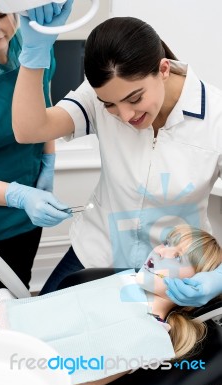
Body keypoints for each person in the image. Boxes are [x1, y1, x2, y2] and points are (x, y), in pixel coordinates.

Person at [12, 14, 222, 306]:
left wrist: (220, 276)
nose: (125, 115)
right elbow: (30, 129)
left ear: (163, 69)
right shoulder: (99, 94)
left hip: (171, 270)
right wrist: (34, 55)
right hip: (95, 253)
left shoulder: (216, 117)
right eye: (109, 105)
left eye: (135, 99)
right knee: (37, 333)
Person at [0, 224, 221, 385]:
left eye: (178, 258)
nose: (162, 251)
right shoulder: (129, 279)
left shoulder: (150, 334)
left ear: (195, 283)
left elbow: (79, 382)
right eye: (167, 242)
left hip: (2, 358)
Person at [0, 0, 73, 302]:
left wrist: (49, 163)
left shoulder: (35, 49)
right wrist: (19, 194)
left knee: (19, 287)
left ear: (16, 12)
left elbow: (44, 113)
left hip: (26, 210)